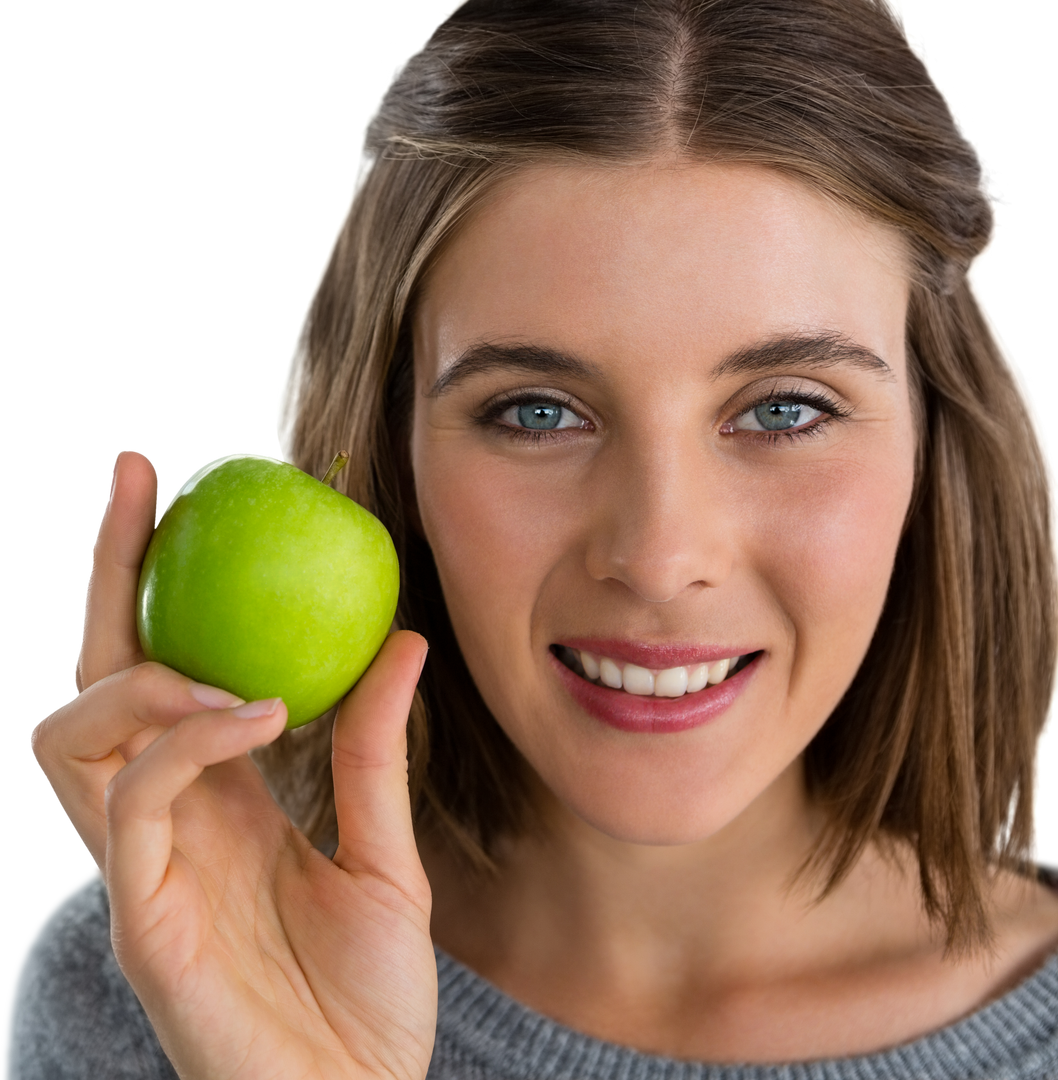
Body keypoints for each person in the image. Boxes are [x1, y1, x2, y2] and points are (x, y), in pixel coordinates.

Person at [6, 0, 1058, 1076]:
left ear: (934, 438)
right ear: (392, 454)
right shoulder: (150, 984)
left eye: (783, 410)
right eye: (536, 413)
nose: (656, 557)